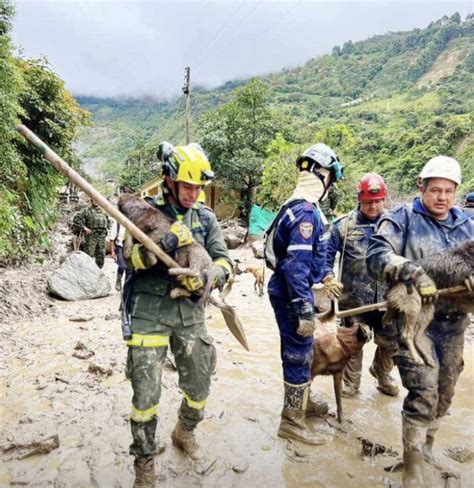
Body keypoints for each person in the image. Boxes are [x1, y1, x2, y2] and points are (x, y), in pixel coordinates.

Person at [122, 142, 233, 487]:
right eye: (187, 186)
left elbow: (225, 261)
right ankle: (144, 464)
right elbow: (126, 260)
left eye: (199, 187)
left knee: (200, 383)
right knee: (145, 396)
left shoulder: (206, 218)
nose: (193, 193)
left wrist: (209, 277)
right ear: (169, 180)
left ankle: (185, 431)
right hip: (148, 310)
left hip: (190, 311)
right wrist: (156, 253)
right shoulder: (143, 212)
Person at [366, 156, 474, 487]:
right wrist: (413, 271)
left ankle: (426, 449)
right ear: (421, 187)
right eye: (435, 190)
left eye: (448, 191)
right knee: (424, 387)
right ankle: (411, 466)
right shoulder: (401, 218)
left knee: (445, 390)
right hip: (413, 318)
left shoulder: (468, 225)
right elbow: (377, 256)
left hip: (454, 323)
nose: (442, 197)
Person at [265, 143, 344, 445]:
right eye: (330, 180)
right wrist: (303, 310)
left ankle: (302, 403)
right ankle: (291, 422)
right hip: (291, 294)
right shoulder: (306, 214)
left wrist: (324, 275)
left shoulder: (297, 207)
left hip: (289, 290)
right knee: (298, 353)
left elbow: (308, 259)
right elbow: (297, 267)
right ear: (323, 177)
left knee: (304, 351)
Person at [322, 173, 399, 398]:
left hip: (388, 299)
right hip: (354, 300)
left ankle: (382, 374)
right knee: (352, 343)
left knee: (392, 342)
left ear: (384, 199)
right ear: (359, 200)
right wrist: (328, 277)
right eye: (368, 202)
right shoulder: (343, 225)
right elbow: (325, 255)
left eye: (377, 201)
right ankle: (351, 382)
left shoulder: (395, 224)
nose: (373, 206)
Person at [72, 198, 109, 268]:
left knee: (101, 257)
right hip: (91, 237)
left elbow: (108, 222)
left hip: (102, 237)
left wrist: (106, 230)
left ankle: (98, 273)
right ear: (91, 200)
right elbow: (76, 219)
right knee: (88, 256)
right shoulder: (86, 210)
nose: (96, 201)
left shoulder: (103, 211)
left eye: (97, 200)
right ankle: (86, 273)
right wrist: (84, 228)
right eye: (94, 199)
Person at [107, 217, 132, 291]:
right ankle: (119, 278)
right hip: (120, 246)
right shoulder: (118, 222)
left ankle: (126, 287)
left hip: (129, 247)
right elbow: (112, 238)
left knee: (129, 269)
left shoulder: (133, 221)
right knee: (122, 266)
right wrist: (112, 251)